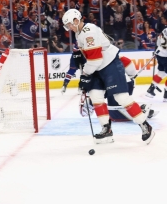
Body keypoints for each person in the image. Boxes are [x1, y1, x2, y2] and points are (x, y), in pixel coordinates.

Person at [61, 8, 154, 145]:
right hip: (97, 68)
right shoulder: (79, 34)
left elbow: (96, 59)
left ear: (76, 20)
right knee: (96, 96)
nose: (68, 28)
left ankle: (145, 126)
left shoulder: (89, 32)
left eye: (69, 24)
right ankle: (107, 130)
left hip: (110, 65)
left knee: (121, 97)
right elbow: (90, 58)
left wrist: (85, 74)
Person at [145, 28, 167, 101]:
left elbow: (158, 42)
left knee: (161, 72)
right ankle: (166, 94)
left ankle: (151, 90)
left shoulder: (164, 30)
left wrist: (156, 51)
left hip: (160, 54)